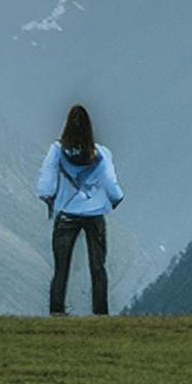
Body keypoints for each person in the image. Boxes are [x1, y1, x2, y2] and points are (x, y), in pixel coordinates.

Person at [36, 103, 123, 315]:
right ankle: (100, 312)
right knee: (98, 266)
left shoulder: (56, 150)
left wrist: (47, 196)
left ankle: (57, 310)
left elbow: (46, 181)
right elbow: (111, 183)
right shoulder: (100, 153)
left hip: (66, 214)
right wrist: (116, 198)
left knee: (61, 267)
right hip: (94, 215)